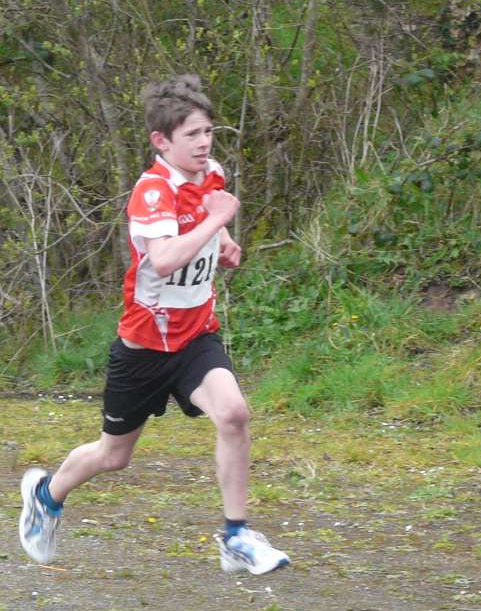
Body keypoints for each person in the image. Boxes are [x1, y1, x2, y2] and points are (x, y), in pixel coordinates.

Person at [19, 74, 290, 575]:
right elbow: (163, 259)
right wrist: (217, 222)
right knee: (114, 455)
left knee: (234, 414)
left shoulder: (211, 175)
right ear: (161, 141)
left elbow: (205, 217)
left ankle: (236, 536)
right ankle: (46, 494)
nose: (204, 143)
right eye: (192, 135)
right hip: (144, 346)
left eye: (208, 132)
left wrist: (223, 242)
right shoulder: (151, 192)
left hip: (196, 337)